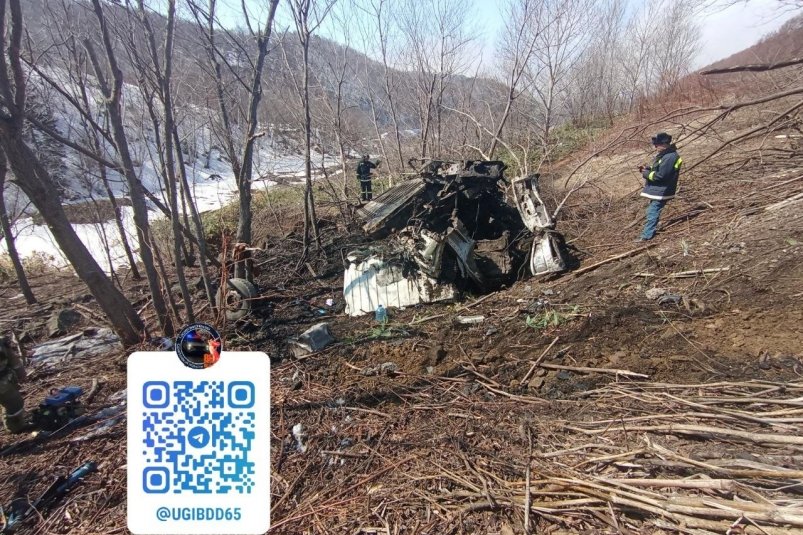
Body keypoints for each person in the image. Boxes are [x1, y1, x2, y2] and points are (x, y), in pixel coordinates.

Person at [637, 132, 682, 241]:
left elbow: (660, 176)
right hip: (659, 191)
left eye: (657, 144)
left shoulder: (670, 157)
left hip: (662, 191)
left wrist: (645, 173)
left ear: (664, 144)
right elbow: (659, 169)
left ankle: (646, 236)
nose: (655, 147)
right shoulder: (666, 155)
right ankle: (648, 233)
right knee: (652, 211)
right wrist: (647, 169)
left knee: (652, 212)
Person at [0, 335, 31, 433]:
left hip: (3, 382)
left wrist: (21, 374)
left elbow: (13, 360)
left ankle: (16, 427)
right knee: (13, 403)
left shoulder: (1, 343)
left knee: (14, 403)